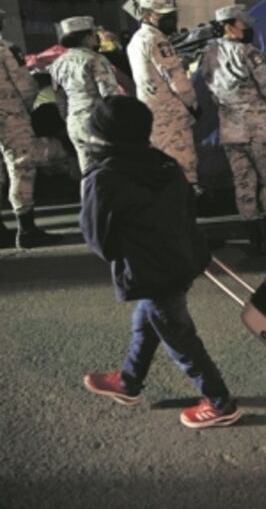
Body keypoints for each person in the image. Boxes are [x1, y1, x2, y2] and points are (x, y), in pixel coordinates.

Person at [80, 96, 242, 429]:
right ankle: (128, 381)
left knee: (179, 337)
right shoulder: (165, 163)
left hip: (148, 270)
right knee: (150, 318)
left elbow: (99, 240)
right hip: (182, 260)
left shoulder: (104, 176)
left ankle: (220, 402)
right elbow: (188, 212)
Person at [200, 4, 266, 255]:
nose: (248, 28)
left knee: (243, 183)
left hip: (230, 130)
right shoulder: (249, 53)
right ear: (230, 25)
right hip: (259, 128)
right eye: (243, 24)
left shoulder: (209, 54)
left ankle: (254, 239)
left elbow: (210, 90)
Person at [125, 0, 200, 188]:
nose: (171, 20)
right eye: (163, 15)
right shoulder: (157, 40)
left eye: (171, 14)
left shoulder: (136, 39)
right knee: (184, 166)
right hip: (171, 114)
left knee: (164, 167)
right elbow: (176, 78)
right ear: (147, 14)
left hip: (153, 112)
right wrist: (192, 103)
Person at [0, 30, 60, 249]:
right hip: (10, 115)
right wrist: (29, 111)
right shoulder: (6, 48)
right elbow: (25, 85)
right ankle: (26, 228)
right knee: (21, 167)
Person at [49, 16, 125, 173]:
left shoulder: (57, 63)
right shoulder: (95, 59)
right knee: (110, 169)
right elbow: (110, 95)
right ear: (87, 37)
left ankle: (90, 196)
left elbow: (60, 98)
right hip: (96, 121)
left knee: (88, 171)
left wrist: (68, 118)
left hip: (74, 122)